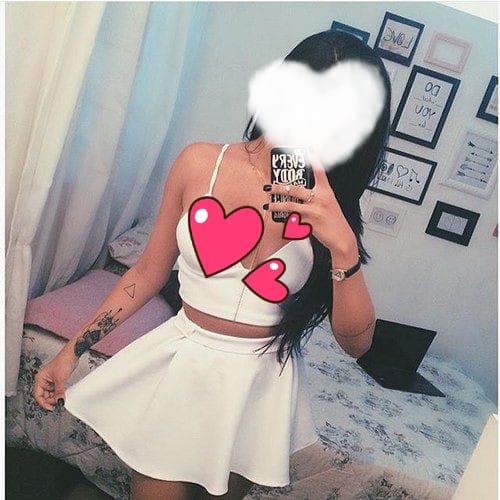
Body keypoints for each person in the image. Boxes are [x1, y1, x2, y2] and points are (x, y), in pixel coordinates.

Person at [33, 30, 391, 500]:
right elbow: (146, 273)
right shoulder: (200, 163)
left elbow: (356, 344)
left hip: (257, 387)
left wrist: (343, 247)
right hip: (185, 365)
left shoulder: (332, 202)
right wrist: (72, 349)